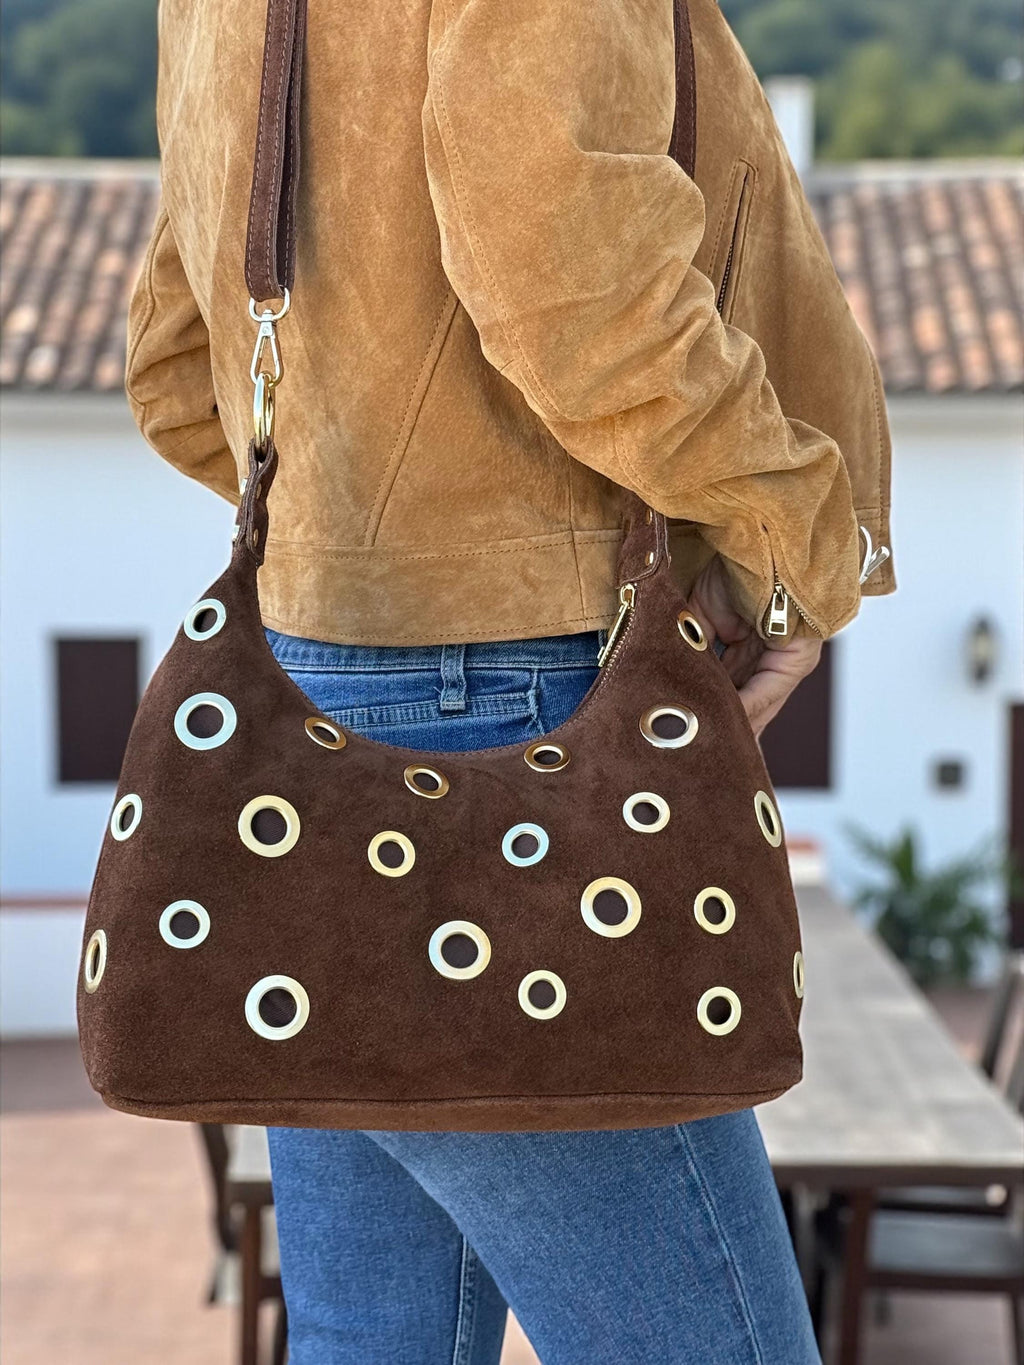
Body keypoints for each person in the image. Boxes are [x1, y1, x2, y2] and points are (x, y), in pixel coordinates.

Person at [124, 0, 895, 1359]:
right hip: (527, 699)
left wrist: (347, 532)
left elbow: (179, 359)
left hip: (310, 714)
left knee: (381, 1338)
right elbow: (570, 275)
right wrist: (789, 538)